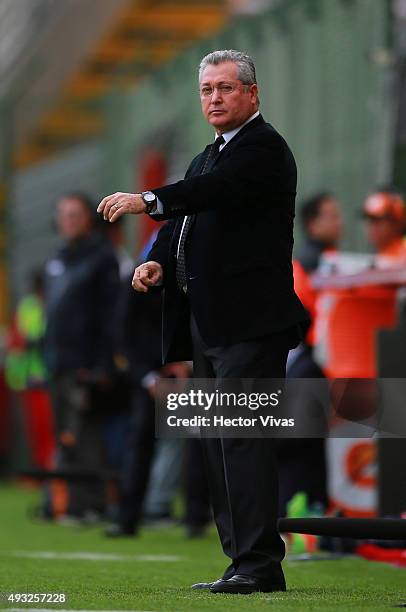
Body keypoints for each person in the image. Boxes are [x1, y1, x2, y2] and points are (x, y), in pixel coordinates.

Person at [97, 49, 309, 594]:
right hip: (209, 325)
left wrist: (147, 198)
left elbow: (207, 195)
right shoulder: (207, 156)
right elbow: (186, 222)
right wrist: (157, 263)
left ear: (252, 94)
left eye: (225, 88)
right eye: (207, 90)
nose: (213, 98)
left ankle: (260, 565)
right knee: (217, 443)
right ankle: (240, 561)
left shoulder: (263, 150)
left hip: (249, 324)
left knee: (243, 441)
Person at [44, 192, 119, 520]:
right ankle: (71, 503)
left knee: (87, 434)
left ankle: (93, 504)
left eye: (75, 214)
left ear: (88, 218)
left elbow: (110, 317)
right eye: (64, 214)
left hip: (86, 362)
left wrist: (102, 364)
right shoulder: (57, 259)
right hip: (58, 362)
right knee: (66, 435)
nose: (69, 220)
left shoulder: (102, 258)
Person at [362, 188, 406, 259]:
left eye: (377, 220)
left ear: (395, 222)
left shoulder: (402, 256)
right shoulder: (383, 254)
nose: (371, 226)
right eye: (369, 219)